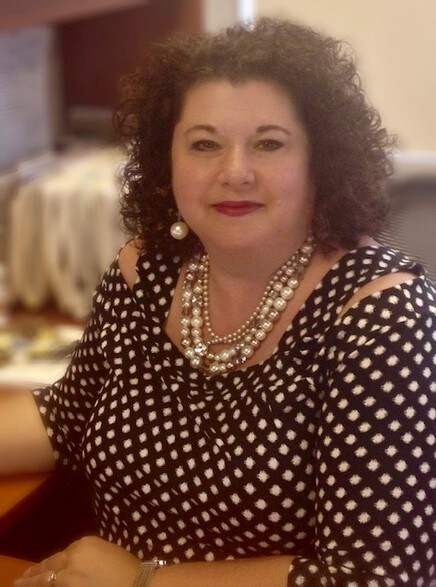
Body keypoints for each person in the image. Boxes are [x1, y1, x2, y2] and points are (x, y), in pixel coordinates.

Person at [2, 17, 435, 587]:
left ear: (321, 160)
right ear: (168, 160)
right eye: (204, 144)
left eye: (269, 143)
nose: (235, 172)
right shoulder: (144, 272)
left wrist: (144, 579)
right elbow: (68, 415)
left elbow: (377, 575)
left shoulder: (384, 318)